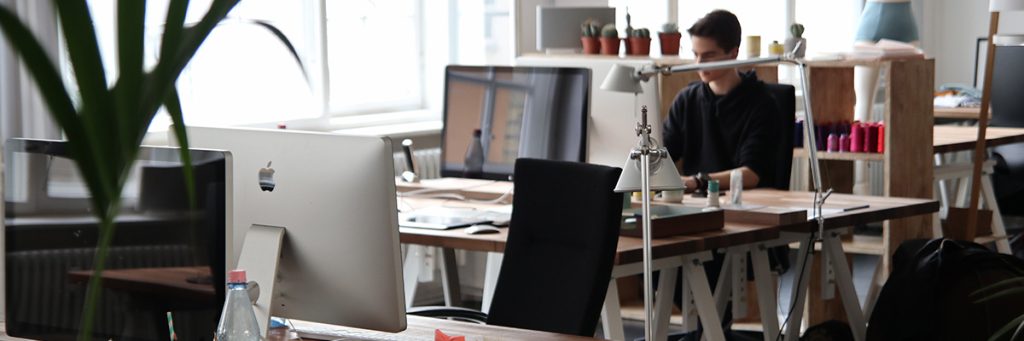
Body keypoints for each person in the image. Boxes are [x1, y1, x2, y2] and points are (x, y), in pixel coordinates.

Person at [663, 9, 782, 192]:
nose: (699, 63)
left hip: (746, 205)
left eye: (708, 55)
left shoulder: (763, 103)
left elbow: (751, 174)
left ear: (733, 53)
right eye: (695, 54)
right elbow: (662, 155)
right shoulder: (686, 100)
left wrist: (697, 182)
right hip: (693, 205)